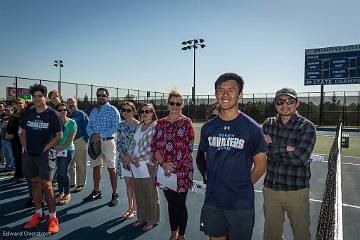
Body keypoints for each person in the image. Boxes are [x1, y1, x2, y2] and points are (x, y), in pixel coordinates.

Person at [198, 73, 267, 240]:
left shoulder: (253, 129)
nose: (225, 95)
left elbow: (260, 166)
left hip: (241, 204)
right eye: (220, 90)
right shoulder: (208, 128)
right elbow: (207, 159)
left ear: (240, 94)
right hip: (213, 200)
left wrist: (242, 185)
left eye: (231, 90)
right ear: (215, 94)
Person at [262, 88, 316, 240]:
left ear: (297, 103)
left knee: (301, 235)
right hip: (271, 189)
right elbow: (262, 148)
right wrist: (288, 149)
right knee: (271, 236)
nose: (284, 105)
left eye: (289, 101)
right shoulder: (268, 123)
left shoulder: (307, 127)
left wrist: (273, 148)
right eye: (280, 101)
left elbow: (300, 158)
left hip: (297, 192)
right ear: (275, 104)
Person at [151, 89, 195, 240]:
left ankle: (181, 235)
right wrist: (164, 164)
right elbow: (154, 147)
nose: (174, 106)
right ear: (167, 104)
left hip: (182, 171)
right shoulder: (160, 123)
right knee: (171, 203)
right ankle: (173, 232)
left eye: (178, 103)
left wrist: (173, 166)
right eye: (172, 103)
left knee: (180, 204)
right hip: (164, 170)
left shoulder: (187, 122)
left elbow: (187, 147)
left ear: (182, 105)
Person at [21, 84, 63, 234]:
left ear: (45, 97)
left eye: (40, 96)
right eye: (34, 96)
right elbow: (22, 132)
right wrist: (25, 147)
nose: (37, 99)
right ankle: (39, 214)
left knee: (47, 185)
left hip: (45, 155)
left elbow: (59, 135)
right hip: (30, 155)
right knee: (35, 184)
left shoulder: (52, 114)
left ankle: (53, 218)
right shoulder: (28, 114)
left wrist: (46, 148)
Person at [84, 88, 121, 207]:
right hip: (95, 143)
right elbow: (89, 126)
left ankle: (115, 194)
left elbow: (116, 126)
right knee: (96, 167)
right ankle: (96, 191)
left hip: (108, 143)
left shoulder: (112, 110)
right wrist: (92, 135)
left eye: (103, 95)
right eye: (98, 95)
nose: (101, 97)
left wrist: (100, 135)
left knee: (111, 169)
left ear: (107, 97)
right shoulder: (94, 111)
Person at [128, 103, 160, 231]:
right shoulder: (139, 125)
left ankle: (152, 219)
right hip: (135, 165)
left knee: (150, 193)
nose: (145, 113)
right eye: (143, 111)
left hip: (148, 164)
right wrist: (130, 156)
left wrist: (137, 158)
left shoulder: (155, 127)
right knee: (139, 192)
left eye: (148, 111)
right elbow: (133, 143)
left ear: (152, 113)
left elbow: (153, 147)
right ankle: (141, 217)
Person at [116, 101, 139, 215]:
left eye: (128, 110)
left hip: (134, 160)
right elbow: (118, 143)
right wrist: (123, 158)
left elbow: (138, 144)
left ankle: (135, 209)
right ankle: (129, 208)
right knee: (128, 183)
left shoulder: (138, 125)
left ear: (134, 112)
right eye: (124, 110)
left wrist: (129, 158)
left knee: (134, 184)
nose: (125, 112)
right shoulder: (120, 125)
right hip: (123, 159)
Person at [55, 103, 77, 205]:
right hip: (56, 151)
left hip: (68, 150)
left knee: (63, 171)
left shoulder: (72, 122)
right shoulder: (54, 123)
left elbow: (71, 137)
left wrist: (62, 147)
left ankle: (67, 193)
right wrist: (56, 147)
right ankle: (60, 192)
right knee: (59, 172)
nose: (63, 111)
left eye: (64, 109)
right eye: (60, 110)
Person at [67, 97, 89, 193]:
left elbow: (88, 127)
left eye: (73, 102)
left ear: (76, 103)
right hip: (68, 142)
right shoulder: (65, 113)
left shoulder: (81, 114)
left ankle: (80, 183)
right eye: (69, 103)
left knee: (80, 163)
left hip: (79, 141)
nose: (71, 104)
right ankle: (72, 182)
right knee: (70, 163)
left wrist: (85, 139)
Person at [196, 103, 220, 184]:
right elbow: (199, 158)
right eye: (213, 116)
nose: (216, 119)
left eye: (219, 116)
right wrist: (205, 173)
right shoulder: (206, 133)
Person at [6, 98, 27, 180]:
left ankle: (22, 174)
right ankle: (17, 174)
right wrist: (8, 133)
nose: (19, 104)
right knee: (16, 157)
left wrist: (14, 135)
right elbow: (9, 125)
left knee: (21, 158)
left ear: (24, 104)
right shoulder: (13, 115)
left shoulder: (25, 115)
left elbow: (23, 129)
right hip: (13, 140)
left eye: (20, 103)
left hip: (21, 140)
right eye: (17, 103)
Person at [1, 106, 15, 174]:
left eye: (8, 110)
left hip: (10, 140)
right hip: (3, 138)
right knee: (5, 154)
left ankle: (12, 167)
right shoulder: (4, 118)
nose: (7, 111)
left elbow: (3, 125)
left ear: (12, 111)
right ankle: (7, 167)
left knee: (11, 154)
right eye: (6, 110)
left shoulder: (13, 118)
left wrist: (4, 124)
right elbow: (1, 125)